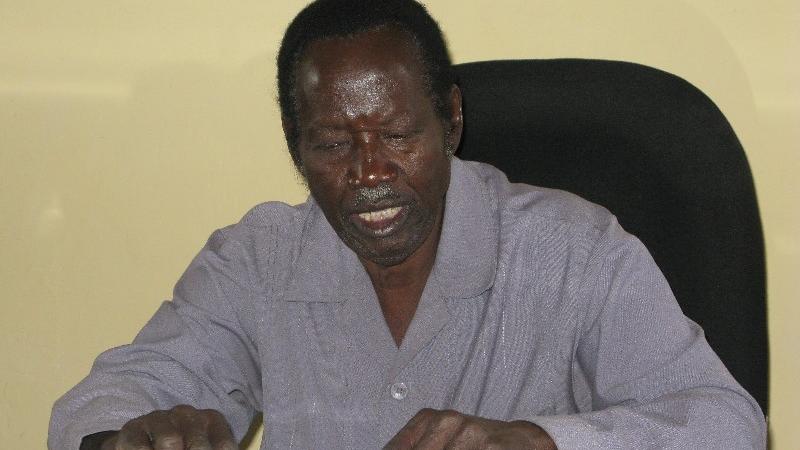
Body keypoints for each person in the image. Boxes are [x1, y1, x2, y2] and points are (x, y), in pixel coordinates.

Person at [49, 0, 767, 449]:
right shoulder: (257, 262)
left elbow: (728, 424)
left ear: (450, 120)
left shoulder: (572, 251)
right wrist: (123, 437)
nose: (369, 172)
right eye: (333, 144)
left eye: (397, 135)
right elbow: (104, 399)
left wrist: (539, 441)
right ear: (295, 146)